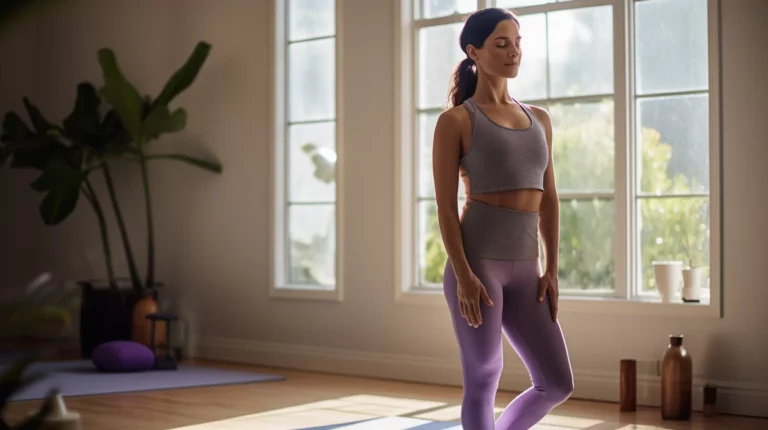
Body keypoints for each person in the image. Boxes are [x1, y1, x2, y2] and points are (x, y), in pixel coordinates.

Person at [432, 7, 574, 430]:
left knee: (556, 382)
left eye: (517, 43)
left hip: (528, 267)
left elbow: (549, 199)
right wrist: (463, 275)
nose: (513, 52)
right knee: (483, 375)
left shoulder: (539, 120)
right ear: (474, 52)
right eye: (501, 43)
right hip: (477, 265)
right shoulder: (455, 121)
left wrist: (551, 269)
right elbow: (445, 206)